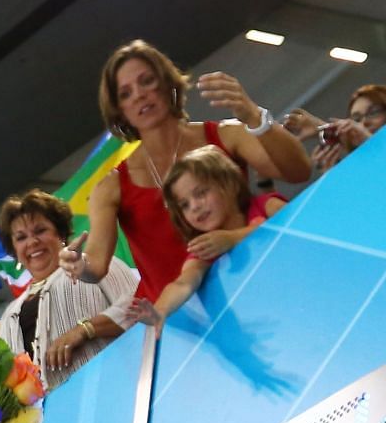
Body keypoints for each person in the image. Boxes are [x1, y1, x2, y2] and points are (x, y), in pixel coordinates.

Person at [64, 40, 309, 303]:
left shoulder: (227, 135)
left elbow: (298, 172)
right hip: (183, 325)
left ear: (169, 83)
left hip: (258, 290)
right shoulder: (111, 186)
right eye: (125, 94)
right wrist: (78, 264)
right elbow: (96, 266)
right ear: (120, 111)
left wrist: (253, 115)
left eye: (146, 81)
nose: (139, 95)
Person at [0, 190, 139, 388]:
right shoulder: (9, 315)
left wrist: (85, 329)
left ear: (60, 234)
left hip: (119, 385)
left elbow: (140, 303)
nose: (32, 242)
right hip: (60, 416)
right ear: (14, 251)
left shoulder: (94, 266)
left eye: (40, 231)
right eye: (21, 238)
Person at [137, 145, 286, 324]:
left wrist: (232, 239)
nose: (194, 206)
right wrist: (160, 310)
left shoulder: (266, 206)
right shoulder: (206, 249)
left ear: (230, 185)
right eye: (184, 204)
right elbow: (183, 283)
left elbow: (299, 225)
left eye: (201, 193)